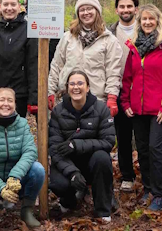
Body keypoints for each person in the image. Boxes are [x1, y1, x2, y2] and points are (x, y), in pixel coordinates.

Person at [120, 4, 162, 211]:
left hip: (159, 110)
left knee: (156, 149)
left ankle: (160, 192)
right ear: (139, 22)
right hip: (137, 109)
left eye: (151, 19)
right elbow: (128, 77)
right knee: (143, 150)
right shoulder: (134, 46)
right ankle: (147, 188)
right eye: (144, 19)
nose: (147, 22)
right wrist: (125, 102)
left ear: (157, 21)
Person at [0, 88, 45, 227]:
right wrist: (1, 188)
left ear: (15, 104)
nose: (6, 104)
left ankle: (27, 211)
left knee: (38, 169)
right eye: (2, 100)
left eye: (10, 100)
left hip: (14, 180)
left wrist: (15, 176)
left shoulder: (22, 124)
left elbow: (30, 151)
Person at [49, 71, 116, 222]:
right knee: (58, 183)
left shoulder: (101, 109)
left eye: (80, 83)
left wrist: (77, 145)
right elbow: (54, 148)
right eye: (72, 84)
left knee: (102, 158)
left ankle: (103, 210)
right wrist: (73, 173)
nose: (76, 87)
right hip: (68, 162)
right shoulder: (58, 112)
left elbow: (108, 141)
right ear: (67, 88)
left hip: (92, 160)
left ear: (88, 87)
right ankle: (69, 201)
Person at [48, 0, 123, 115]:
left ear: (97, 11)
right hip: (68, 97)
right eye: (82, 10)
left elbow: (113, 71)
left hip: (96, 99)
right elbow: (57, 65)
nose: (86, 12)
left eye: (90, 9)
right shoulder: (68, 37)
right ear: (78, 14)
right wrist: (50, 90)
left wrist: (112, 96)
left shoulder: (109, 40)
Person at [0, 0, 38, 117]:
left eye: (13, 5)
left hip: (19, 94)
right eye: (6, 4)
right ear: (0, 6)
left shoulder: (29, 30)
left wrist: (33, 98)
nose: (9, 8)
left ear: (19, 7)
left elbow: (33, 65)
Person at [108, 0, 139, 192]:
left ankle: (149, 172)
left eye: (129, 6)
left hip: (144, 90)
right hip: (119, 89)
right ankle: (127, 174)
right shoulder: (109, 33)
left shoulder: (145, 29)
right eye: (122, 6)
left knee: (145, 136)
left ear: (136, 9)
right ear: (117, 9)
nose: (126, 10)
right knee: (123, 135)